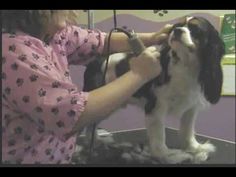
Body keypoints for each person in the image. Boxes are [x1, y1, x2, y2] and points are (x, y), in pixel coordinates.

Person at [2, 10, 172, 164]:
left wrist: (151, 38)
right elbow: (72, 115)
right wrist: (138, 75)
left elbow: (101, 41)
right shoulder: (14, 52)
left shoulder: (51, 35)